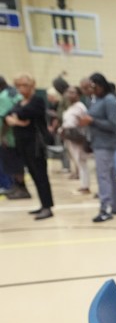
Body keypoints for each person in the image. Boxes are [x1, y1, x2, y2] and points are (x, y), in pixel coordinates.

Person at [5, 73, 54, 220]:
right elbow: (9, 115)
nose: (21, 88)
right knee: (33, 175)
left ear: (32, 86)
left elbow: (24, 113)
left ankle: (47, 207)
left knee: (41, 175)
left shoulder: (37, 100)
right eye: (18, 85)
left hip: (35, 145)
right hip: (23, 144)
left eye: (24, 85)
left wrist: (16, 118)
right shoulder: (19, 102)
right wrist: (17, 121)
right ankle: (42, 204)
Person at [79, 72, 116, 222]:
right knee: (110, 176)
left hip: (106, 144)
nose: (91, 89)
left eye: (93, 86)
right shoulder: (95, 100)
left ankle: (105, 208)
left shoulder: (109, 100)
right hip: (98, 142)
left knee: (103, 176)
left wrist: (92, 121)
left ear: (101, 84)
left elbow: (113, 125)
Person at [59, 86, 91, 194]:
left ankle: (85, 186)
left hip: (77, 136)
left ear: (78, 95)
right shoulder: (70, 107)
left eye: (72, 92)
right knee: (78, 161)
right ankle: (83, 184)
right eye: (68, 92)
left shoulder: (80, 107)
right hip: (69, 136)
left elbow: (84, 121)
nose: (69, 95)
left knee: (82, 161)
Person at [0, 75, 28, 199]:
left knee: (14, 163)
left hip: (10, 136)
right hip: (18, 134)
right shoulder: (13, 93)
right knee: (16, 163)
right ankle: (17, 187)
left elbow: (6, 118)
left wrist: (2, 136)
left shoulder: (4, 97)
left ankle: (21, 189)